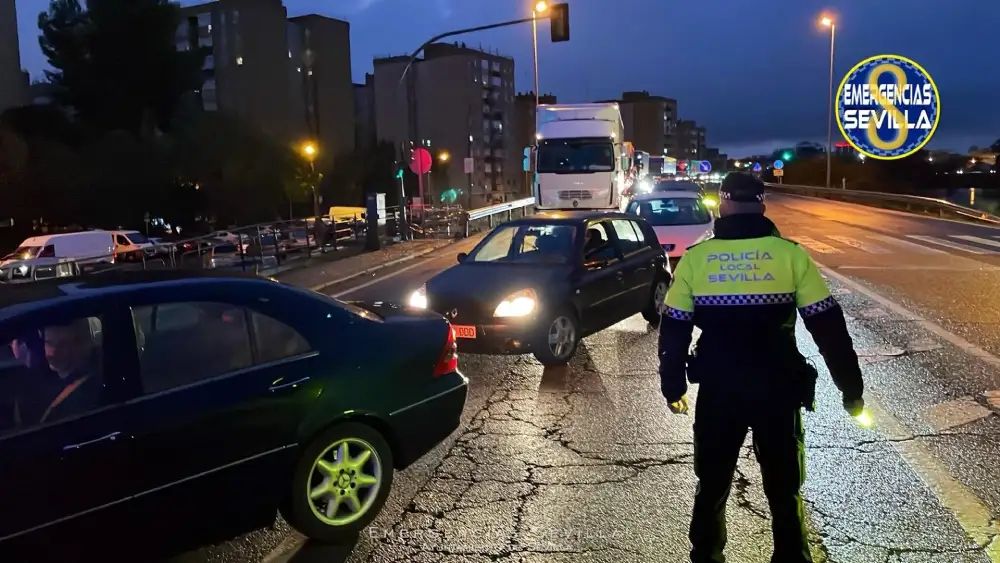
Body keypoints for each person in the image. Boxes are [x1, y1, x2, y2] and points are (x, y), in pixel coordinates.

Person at [658, 172, 865, 563]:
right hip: (778, 387)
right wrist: (850, 389)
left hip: (720, 390)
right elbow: (829, 329)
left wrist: (674, 387)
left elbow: (674, 329)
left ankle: (707, 555)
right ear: (762, 206)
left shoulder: (696, 259)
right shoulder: (791, 255)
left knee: (712, 483)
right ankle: (791, 557)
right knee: (784, 487)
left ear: (723, 205)